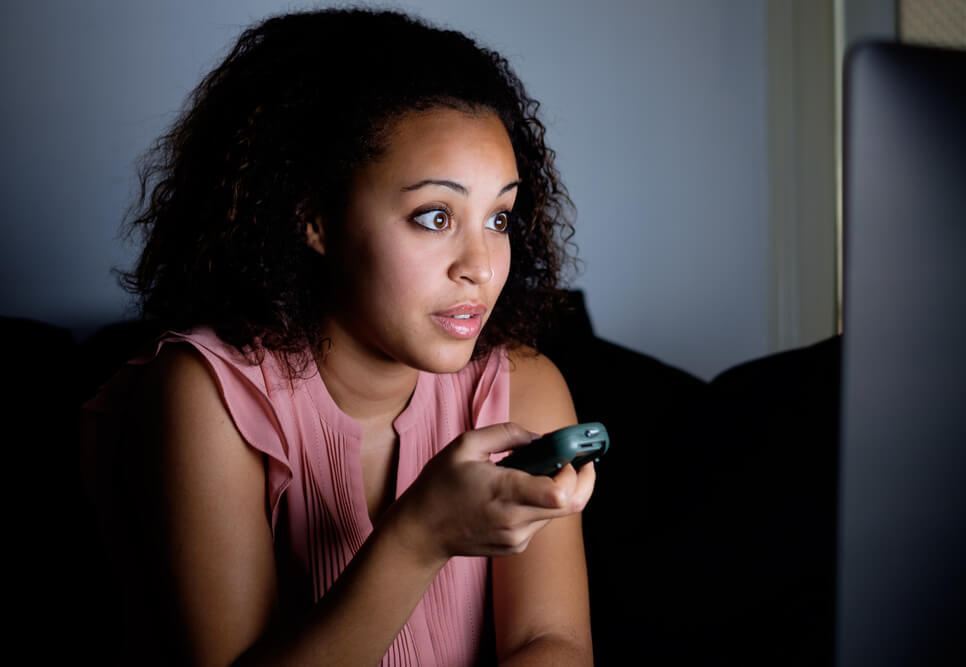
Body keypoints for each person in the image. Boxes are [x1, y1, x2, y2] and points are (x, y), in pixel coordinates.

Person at [80, 7, 596, 666]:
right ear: (315, 220)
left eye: (498, 217)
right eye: (435, 216)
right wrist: (421, 535)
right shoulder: (209, 394)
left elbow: (550, 643)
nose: (482, 265)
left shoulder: (526, 385)